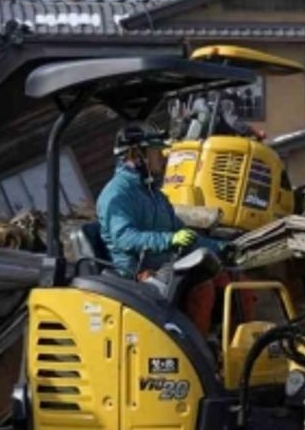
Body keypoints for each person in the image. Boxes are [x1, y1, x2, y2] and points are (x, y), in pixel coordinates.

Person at [96, 122, 229, 334]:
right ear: (136, 154)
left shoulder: (154, 194)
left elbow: (186, 236)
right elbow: (125, 238)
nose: (163, 156)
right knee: (201, 289)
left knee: (226, 275)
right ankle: (199, 354)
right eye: (156, 151)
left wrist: (221, 247)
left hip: (163, 267)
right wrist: (169, 240)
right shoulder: (116, 195)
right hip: (136, 277)